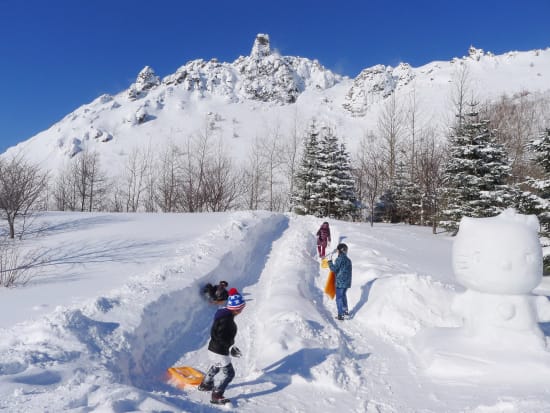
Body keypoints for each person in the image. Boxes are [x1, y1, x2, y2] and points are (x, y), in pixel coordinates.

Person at [198, 289, 246, 404]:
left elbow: (218, 335)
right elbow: (220, 337)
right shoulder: (227, 320)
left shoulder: (224, 315)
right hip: (219, 351)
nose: (242, 309)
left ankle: (205, 384)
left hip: (213, 349)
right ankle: (217, 394)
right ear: (237, 309)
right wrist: (230, 348)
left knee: (216, 365)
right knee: (229, 373)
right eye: (241, 308)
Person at [328, 243, 352, 320]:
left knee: (339, 298)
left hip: (340, 282)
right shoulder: (348, 260)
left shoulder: (339, 259)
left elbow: (334, 269)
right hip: (347, 282)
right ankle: (345, 312)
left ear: (340, 251)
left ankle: (340, 315)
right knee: (343, 296)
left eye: (338, 251)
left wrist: (329, 261)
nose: (337, 252)